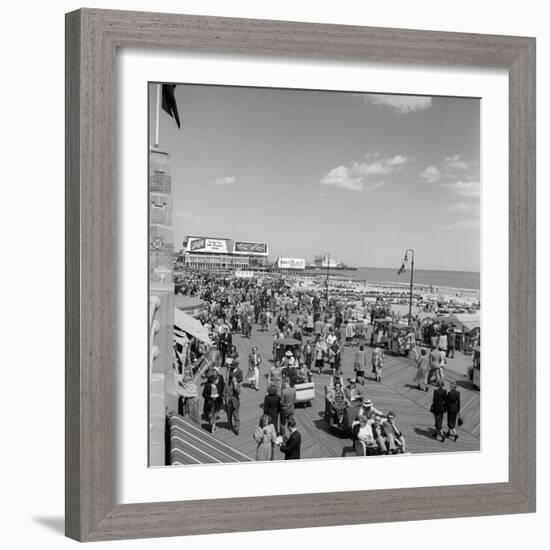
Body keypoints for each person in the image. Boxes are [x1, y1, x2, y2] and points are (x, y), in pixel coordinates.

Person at [225, 367, 241, 435]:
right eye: (232, 378)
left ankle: (237, 428)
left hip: (235, 402)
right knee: (229, 415)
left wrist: (235, 386)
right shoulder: (226, 384)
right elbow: (224, 392)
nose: (233, 379)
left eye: (234, 378)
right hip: (228, 401)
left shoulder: (237, 384)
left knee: (236, 415)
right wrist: (225, 399)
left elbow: (239, 392)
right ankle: (230, 425)